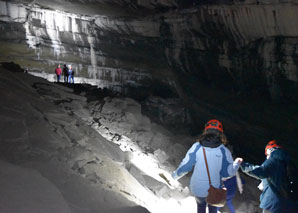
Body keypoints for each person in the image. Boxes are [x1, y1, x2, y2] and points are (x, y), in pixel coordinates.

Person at [172, 119, 243, 213]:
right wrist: (236, 163)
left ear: (205, 131)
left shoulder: (196, 147)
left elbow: (186, 166)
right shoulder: (224, 151)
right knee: (212, 208)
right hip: (214, 189)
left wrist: (175, 175)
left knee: (201, 207)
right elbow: (228, 173)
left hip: (197, 188)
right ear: (221, 134)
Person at [240, 140, 294, 213]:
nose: (267, 157)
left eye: (267, 154)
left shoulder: (274, 158)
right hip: (288, 204)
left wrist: (243, 165)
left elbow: (261, 171)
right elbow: (277, 179)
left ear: (269, 150)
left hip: (273, 204)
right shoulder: (286, 162)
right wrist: (265, 183)